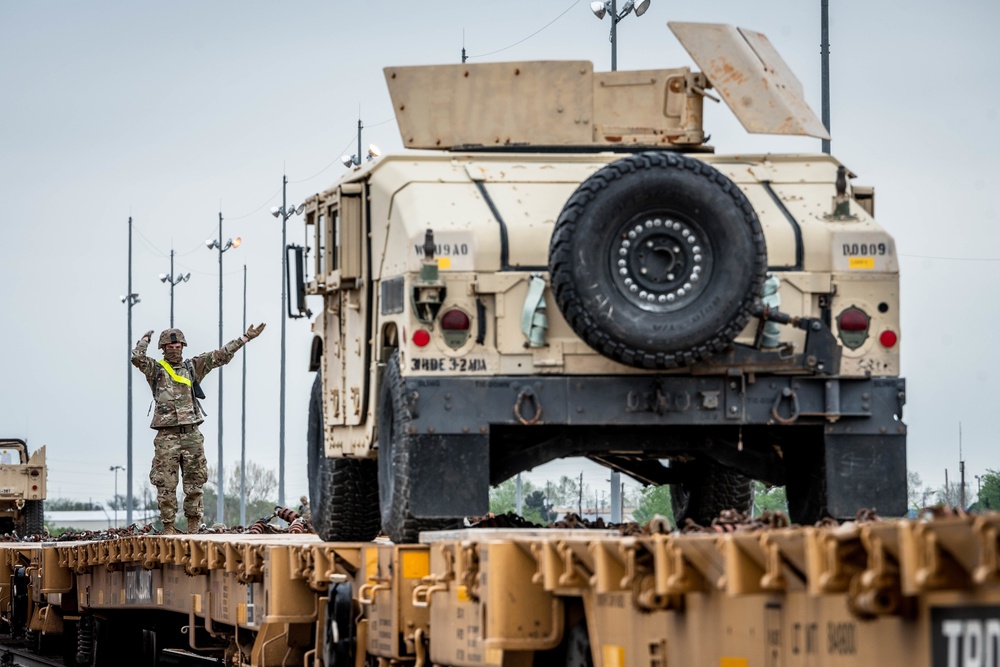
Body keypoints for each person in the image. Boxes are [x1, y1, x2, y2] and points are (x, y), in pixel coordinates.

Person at [132, 324, 265, 534]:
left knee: (195, 482)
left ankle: (193, 524)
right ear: (163, 348)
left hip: (192, 434)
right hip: (167, 436)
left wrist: (245, 338)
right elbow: (137, 358)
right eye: (170, 345)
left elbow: (220, 355)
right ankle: (168, 526)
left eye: (177, 345)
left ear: (183, 346)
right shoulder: (155, 370)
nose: (174, 349)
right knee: (165, 484)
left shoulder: (193, 367)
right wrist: (145, 340)